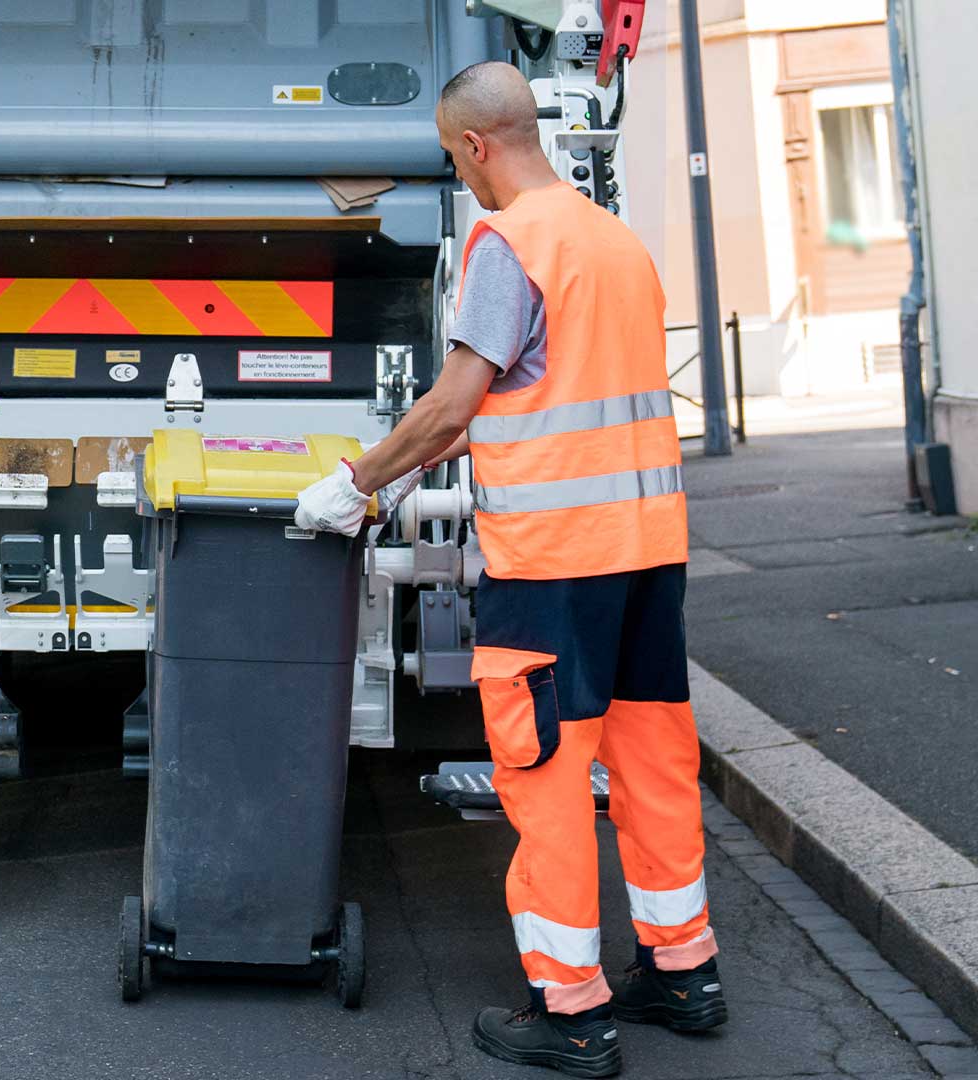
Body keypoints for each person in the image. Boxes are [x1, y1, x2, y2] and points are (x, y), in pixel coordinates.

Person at [294, 61, 724, 1078]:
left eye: (455, 157)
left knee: (547, 779)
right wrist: (411, 469)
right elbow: (547, 395)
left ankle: (571, 1012)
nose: (461, 174)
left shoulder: (510, 242)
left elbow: (456, 399)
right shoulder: (615, 242)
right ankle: (683, 972)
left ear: (477, 145)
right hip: (647, 556)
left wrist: (356, 483)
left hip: (555, 565)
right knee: (655, 765)